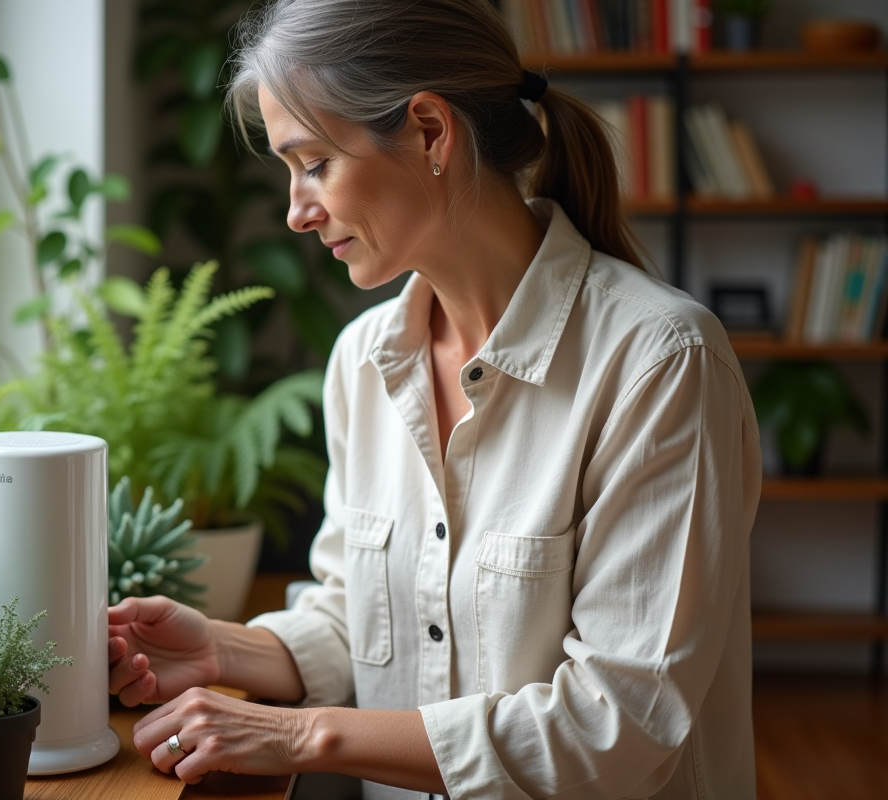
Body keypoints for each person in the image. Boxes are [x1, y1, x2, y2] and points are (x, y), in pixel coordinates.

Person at [107, 1, 761, 797]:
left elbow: (615, 727)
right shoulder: (364, 361)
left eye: (313, 162)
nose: (295, 210)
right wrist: (220, 650)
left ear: (428, 131)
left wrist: (301, 733)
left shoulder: (660, 364)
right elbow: (362, 621)